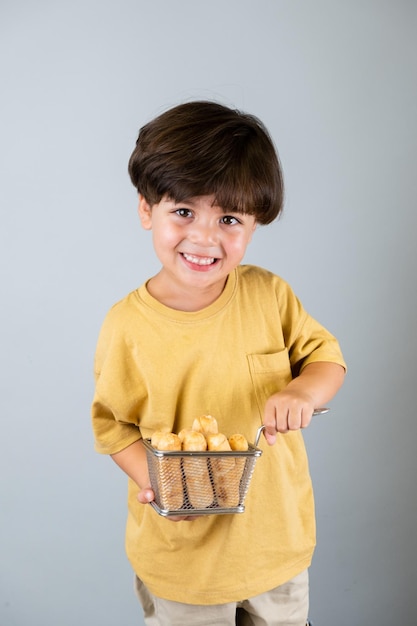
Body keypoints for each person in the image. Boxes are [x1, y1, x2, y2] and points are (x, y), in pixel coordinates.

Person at [91, 100, 346, 626]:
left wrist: (304, 392)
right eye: (183, 212)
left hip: (276, 547)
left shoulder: (269, 296)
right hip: (183, 560)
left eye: (229, 219)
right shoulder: (126, 327)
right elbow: (113, 427)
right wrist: (155, 480)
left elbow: (325, 359)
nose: (205, 238)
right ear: (147, 210)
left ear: (254, 225)